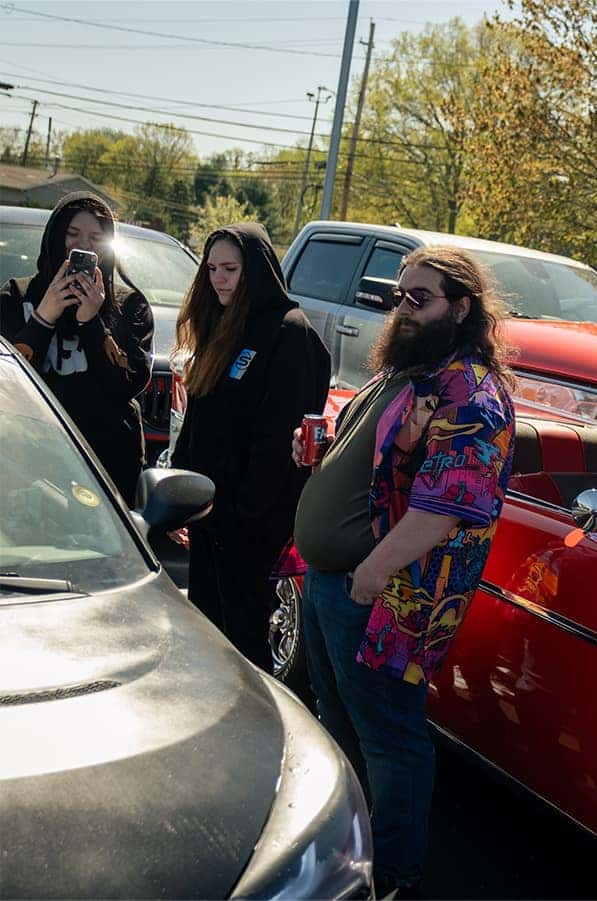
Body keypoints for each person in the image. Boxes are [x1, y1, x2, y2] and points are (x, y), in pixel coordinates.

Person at [292, 246, 516, 897]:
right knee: (339, 723)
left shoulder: (470, 392)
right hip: (335, 582)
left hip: (390, 597)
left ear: (462, 306)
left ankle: (392, 873)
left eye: (420, 298)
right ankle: (348, 853)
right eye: (400, 296)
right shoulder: (410, 369)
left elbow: (446, 511)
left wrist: (366, 574)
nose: (404, 308)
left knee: (392, 739)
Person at [170, 223, 330, 672]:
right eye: (212, 268)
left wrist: (242, 512)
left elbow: (276, 440)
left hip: (249, 525)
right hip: (207, 515)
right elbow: (198, 419)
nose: (218, 278)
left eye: (230, 269)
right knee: (206, 629)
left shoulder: (289, 332)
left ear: (254, 271)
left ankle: (255, 732)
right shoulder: (220, 326)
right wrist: (180, 493)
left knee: (243, 640)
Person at [0, 192, 153, 504]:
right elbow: (7, 382)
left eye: (96, 237)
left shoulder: (130, 306)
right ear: (56, 237)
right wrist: (43, 317)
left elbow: (128, 385)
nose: (84, 245)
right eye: (73, 234)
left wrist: (92, 323)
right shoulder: (16, 296)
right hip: (27, 460)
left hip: (104, 462)